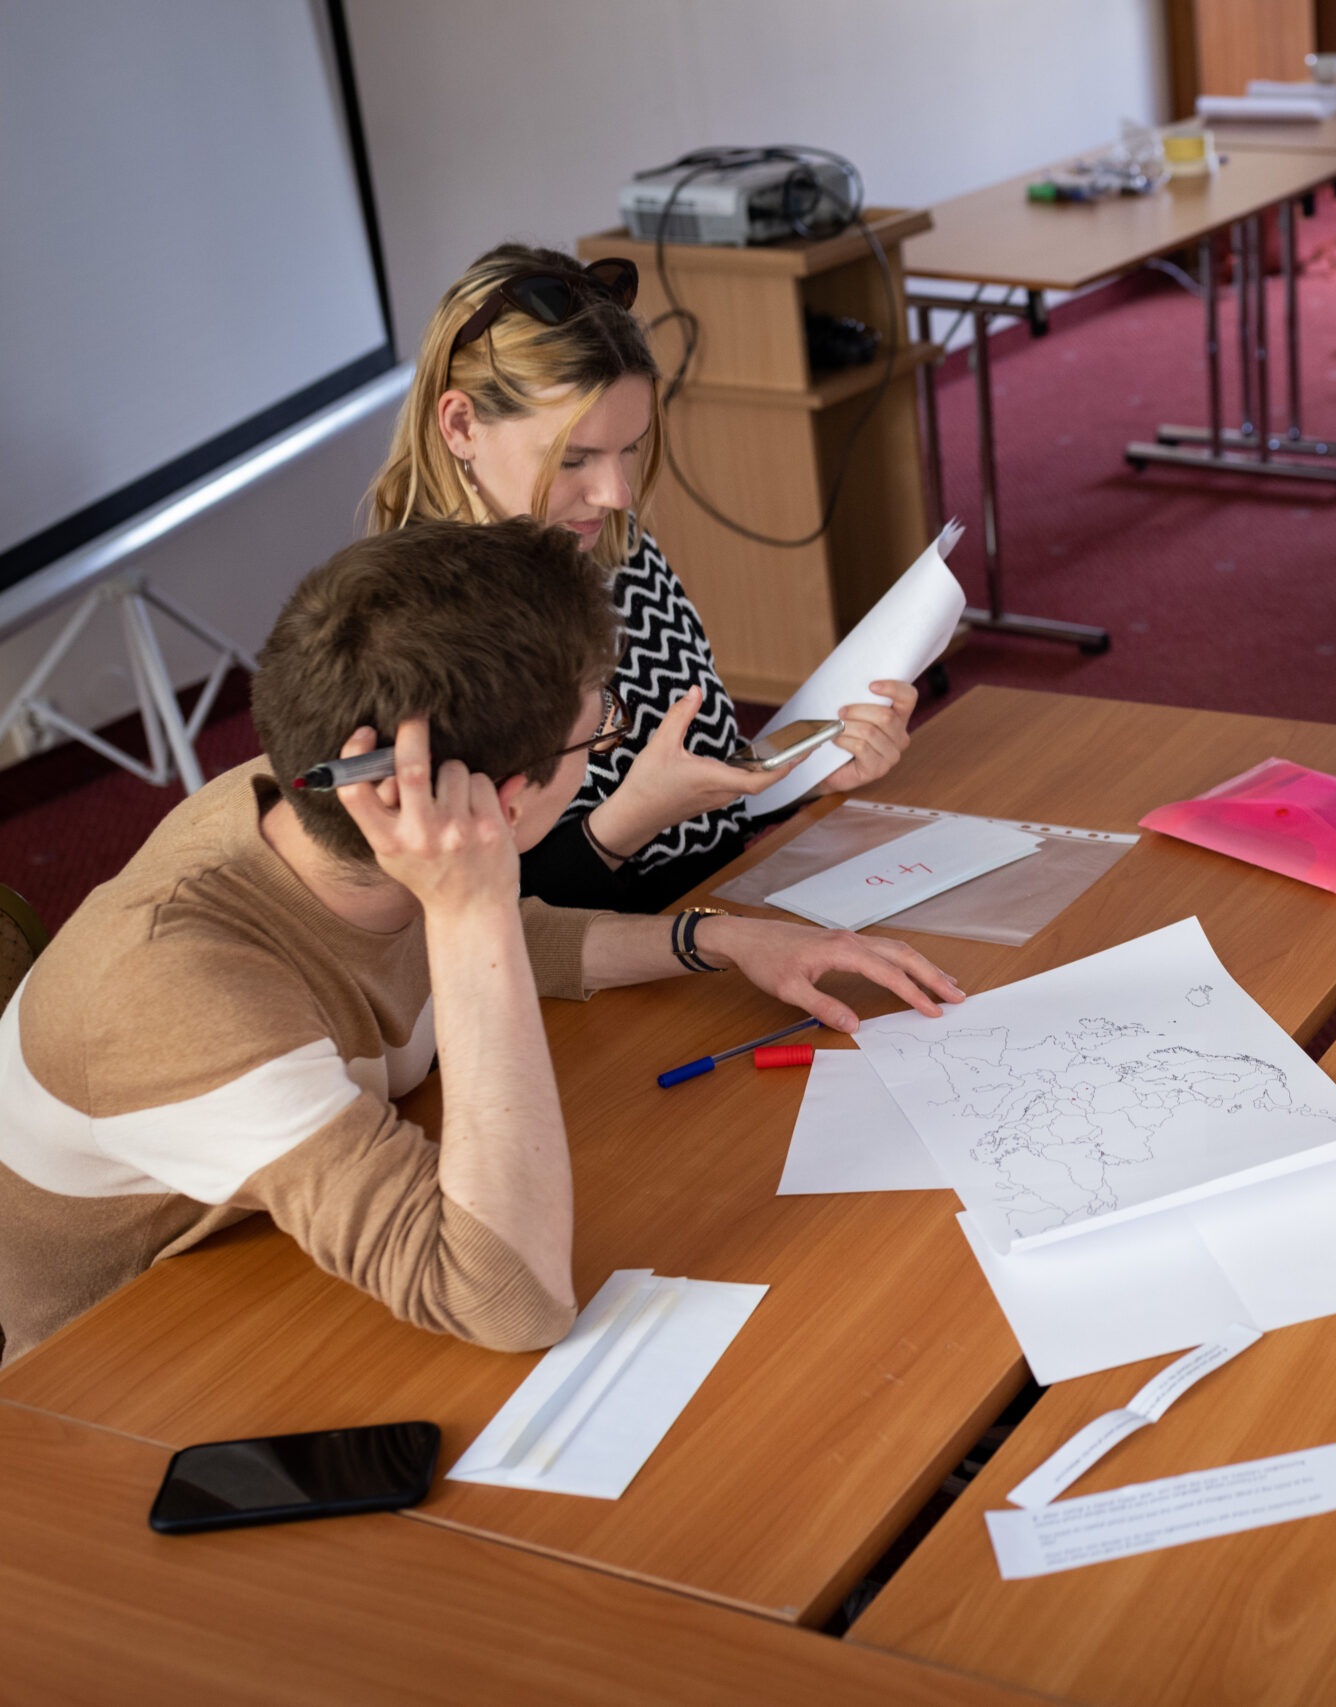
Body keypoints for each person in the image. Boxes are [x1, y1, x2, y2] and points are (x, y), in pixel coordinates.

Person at [0, 520, 964, 1366]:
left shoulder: (338, 800)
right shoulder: (179, 995)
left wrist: (718, 940)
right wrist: (470, 911)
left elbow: (518, 941)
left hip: (267, 1272)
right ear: (496, 808)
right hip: (117, 1378)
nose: (607, 746)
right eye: (599, 737)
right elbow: (506, 1297)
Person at [366, 243, 916, 915]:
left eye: (629, 448)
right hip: (588, 980)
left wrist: (803, 771)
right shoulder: (414, 632)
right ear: (461, 426)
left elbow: (701, 786)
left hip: (714, 913)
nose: (618, 492)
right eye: (575, 458)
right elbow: (476, 923)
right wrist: (632, 819)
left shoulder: (609, 546)